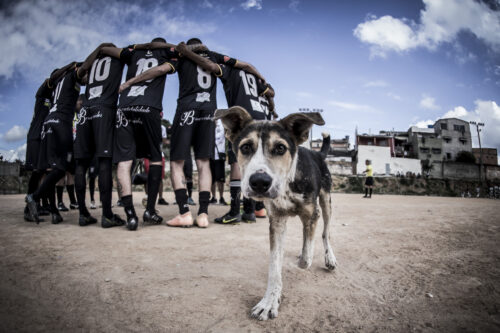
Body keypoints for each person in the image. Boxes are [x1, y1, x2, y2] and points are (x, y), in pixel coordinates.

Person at [175, 42, 274, 224]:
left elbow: (211, 66)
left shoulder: (228, 70)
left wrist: (186, 53)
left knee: (237, 163)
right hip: (263, 119)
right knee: (255, 162)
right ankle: (253, 209)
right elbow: (271, 93)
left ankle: (236, 211)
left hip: (244, 118)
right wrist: (273, 110)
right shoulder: (252, 75)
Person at [25, 44, 105, 223]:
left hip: (49, 124)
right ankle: (36, 198)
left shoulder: (58, 84)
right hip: (61, 123)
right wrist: (99, 51)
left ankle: (54, 212)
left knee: (56, 169)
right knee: (69, 168)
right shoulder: (72, 76)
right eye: (85, 76)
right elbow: (83, 68)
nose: (86, 79)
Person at [112, 38, 178, 230]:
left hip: (124, 106)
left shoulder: (133, 52)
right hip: (148, 107)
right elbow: (159, 70)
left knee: (125, 162)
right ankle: (150, 209)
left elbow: (109, 49)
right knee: (156, 158)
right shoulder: (168, 55)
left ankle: (130, 215)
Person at [24, 65, 73, 222]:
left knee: (49, 171)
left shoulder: (55, 99)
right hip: (35, 136)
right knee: (37, 172)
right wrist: (68, 68)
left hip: (47, 135)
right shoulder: (43, 92)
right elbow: (52, 79)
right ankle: (29, 208)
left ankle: (50, 207)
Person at [209, 119, 227, 205]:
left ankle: (221, 197)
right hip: (210, 154)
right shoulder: (208, 122)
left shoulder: (223, 123)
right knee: (212, 179)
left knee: (220, 179)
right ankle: (213, 197)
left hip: (220, 154)